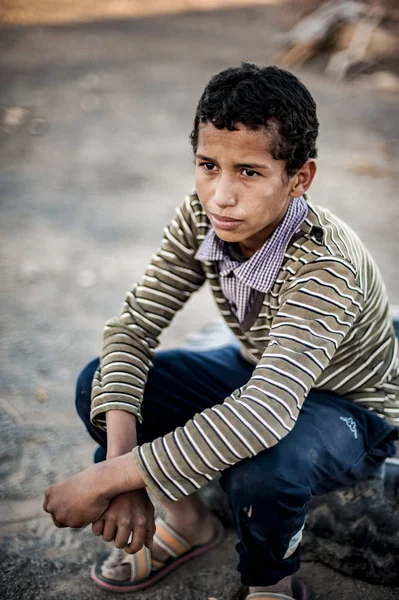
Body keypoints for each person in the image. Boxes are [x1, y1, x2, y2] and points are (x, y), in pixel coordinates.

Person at [43, 63, 399, 600]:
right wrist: (120, 467)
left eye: (249, 172)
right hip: (263, 371)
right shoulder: (203, 217)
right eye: (209, 165)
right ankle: (190, 523)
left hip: (349, 405)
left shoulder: (326, 265)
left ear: (299, 178)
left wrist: (108, 480)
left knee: (260, 471)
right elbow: (133, 329)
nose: (221, 196)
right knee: (99, 385)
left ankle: (272, 584)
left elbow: (266, 414)